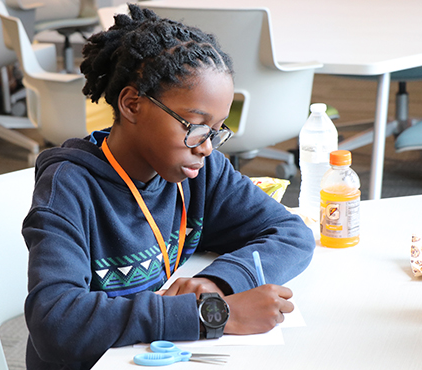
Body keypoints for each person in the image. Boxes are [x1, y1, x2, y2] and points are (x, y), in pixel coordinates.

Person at [22, 5, 315, 370]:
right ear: (133, 104)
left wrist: (216, 283)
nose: (206, 145)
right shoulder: (69, 189)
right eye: (194, 124)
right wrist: (211, 314)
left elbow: (291, 234)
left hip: (159, 356)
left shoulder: (200, 171)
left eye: (217, 130)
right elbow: (56, 323)